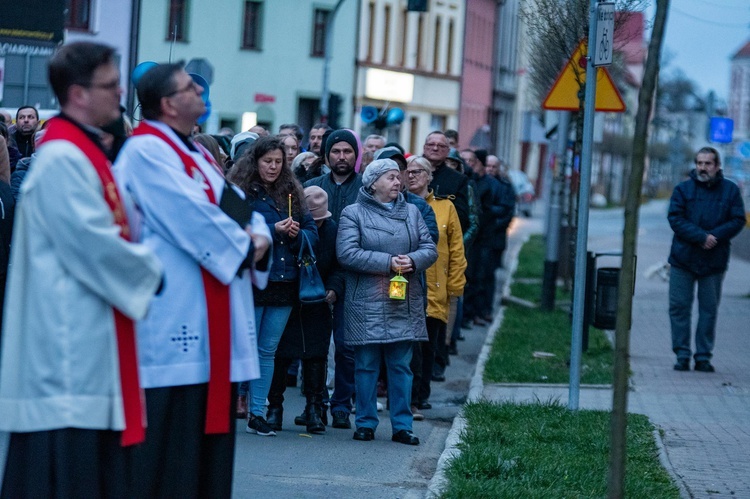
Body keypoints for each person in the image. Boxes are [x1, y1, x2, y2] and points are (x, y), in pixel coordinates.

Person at [0, 41, 163, 498]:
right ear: (77, 94)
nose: (119, 95)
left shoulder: (85, 153)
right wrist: (156, 269)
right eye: (110, 86)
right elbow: (95, 245)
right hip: (67, 350)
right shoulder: (62, 159)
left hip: (90, 337)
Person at [114, 61, 271, 498]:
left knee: (208, 456)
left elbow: (239, 206)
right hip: (175, 316)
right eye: (190, 88)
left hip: (213, 310)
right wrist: (246, 243)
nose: (202, 94)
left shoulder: (197, 153)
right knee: (172, 453)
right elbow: (193, 217)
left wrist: (257, 234)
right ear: (168, 104)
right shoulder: (145, 151)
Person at [336, 158, 437, 445]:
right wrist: (390, 262)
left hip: (402, 299)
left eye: (398, 177)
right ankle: (365, 423)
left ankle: (402, 426)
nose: (397, 182)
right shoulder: (352, 213)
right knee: (366, 365)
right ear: (373, 183)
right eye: (391, 177)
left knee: (401, 367)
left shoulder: (413, 212)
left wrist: (413, 260)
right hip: (366, 299)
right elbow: (347, 253)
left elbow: (430, 248)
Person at [228, 135, 318, 436]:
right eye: (268, 161)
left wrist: (295, 234)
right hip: (253, 279)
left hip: (285, 279)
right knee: (245, 347)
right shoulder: (240, 191)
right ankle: (230, 406)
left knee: (268, 350)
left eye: (279, 162)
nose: (274, 167)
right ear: (255, 161)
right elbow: (230, 230)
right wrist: (271, 230)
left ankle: (257, 412)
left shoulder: (291, 190)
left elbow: (311, 231)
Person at [266, 186, 342, 433]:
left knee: (316, 356)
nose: (317, 225)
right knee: (280, 355)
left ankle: (313, 408)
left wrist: (333, 288)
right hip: (289, 295)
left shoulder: (332, 230)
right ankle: (274, 408)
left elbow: (339, 265)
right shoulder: (290, 227)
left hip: (318, 300)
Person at [667, 146, 745, 373]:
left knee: (708, 310)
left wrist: (715, 237)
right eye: (699, 163)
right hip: (683, 258)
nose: (702, 168)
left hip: (714, 261)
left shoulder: (730, 191)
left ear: (717, 166)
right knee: (679, 308)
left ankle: (703, 356)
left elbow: (737, 219)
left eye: (707, 163)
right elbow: (675, 218)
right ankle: (682, 354)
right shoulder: (683, 190)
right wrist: (701, 237)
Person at [304, 129, 362, 430]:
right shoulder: (312, 186)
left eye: (347, 151)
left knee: (345, 346)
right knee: (312, 346)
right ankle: (314, 404)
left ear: (356, 155)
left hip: (352, 278)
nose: (342, 157)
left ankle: (342, 404)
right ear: (327, 155)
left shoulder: (365, 188)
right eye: (336, 151)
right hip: (313, 276)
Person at [405, 156, 466, 414]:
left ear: (430, 177)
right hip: (406, 285)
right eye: (407, 171)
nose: (412, 176)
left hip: (435, 285)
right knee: (409, 347)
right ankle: (407, 396)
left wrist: (455, 287)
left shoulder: (445, 207)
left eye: (418, 171)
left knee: (429, 345)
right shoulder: (397, 203)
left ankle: (421, 395)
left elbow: (456, 249)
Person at [423, 131, 470, 234]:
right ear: (424, 147)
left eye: (441, 146)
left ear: (448, 151)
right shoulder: (410, 171)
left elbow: (461, 216)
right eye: (431, 144)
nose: (435, 148)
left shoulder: (458, 179)